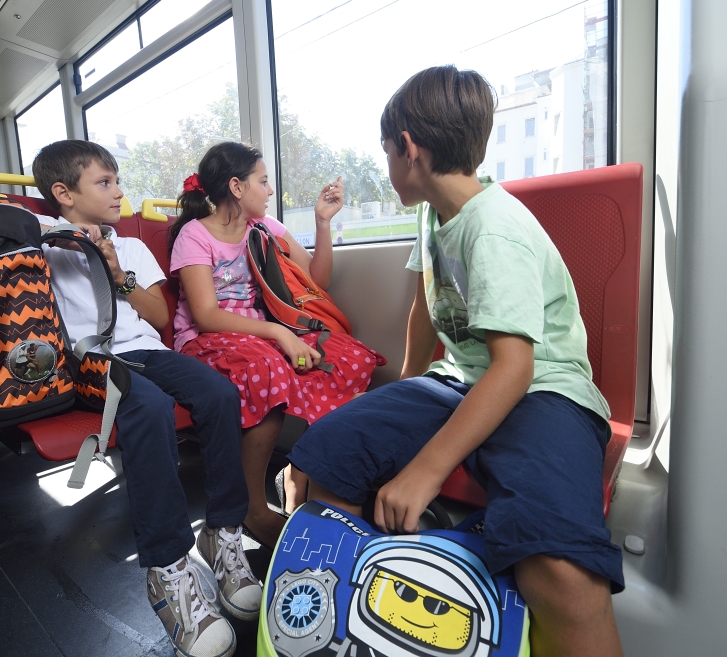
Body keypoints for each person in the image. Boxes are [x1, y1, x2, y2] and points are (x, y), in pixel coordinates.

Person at [287, 65, 624, 657]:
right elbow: (424, 311)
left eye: (386, 150)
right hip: (459, 381)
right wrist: (403, 399)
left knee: (561, 572)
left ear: (407, 149)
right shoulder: (433, 214)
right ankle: (341, 627)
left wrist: (424, 468)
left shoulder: (494, 229)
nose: (387, 162)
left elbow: (515, 367)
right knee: (323, 459)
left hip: (546, 389)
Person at [32, 140, 262, 657]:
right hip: (89, 357)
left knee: (218, 393)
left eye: (117, 181)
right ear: (63, 194)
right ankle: (168, 568)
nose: (119, 193)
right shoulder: (41, 244)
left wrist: (118, 275)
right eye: (105, 183)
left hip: (141, 349)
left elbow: (159, 318)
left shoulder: (130, 245)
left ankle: (222, 532)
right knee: (150, 405)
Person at [169, 142, 385, 549]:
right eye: (263, 181)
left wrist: (322, 223)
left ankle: (300, 472)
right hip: (208, 339)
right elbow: (206, 315)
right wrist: (280, 335)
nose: (270, 191)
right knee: (266, 368)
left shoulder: (266, 228)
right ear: (236, 186)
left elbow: (315, 281)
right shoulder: (195, 235)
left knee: (350, 358)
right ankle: (252, 506)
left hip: (261, 330)